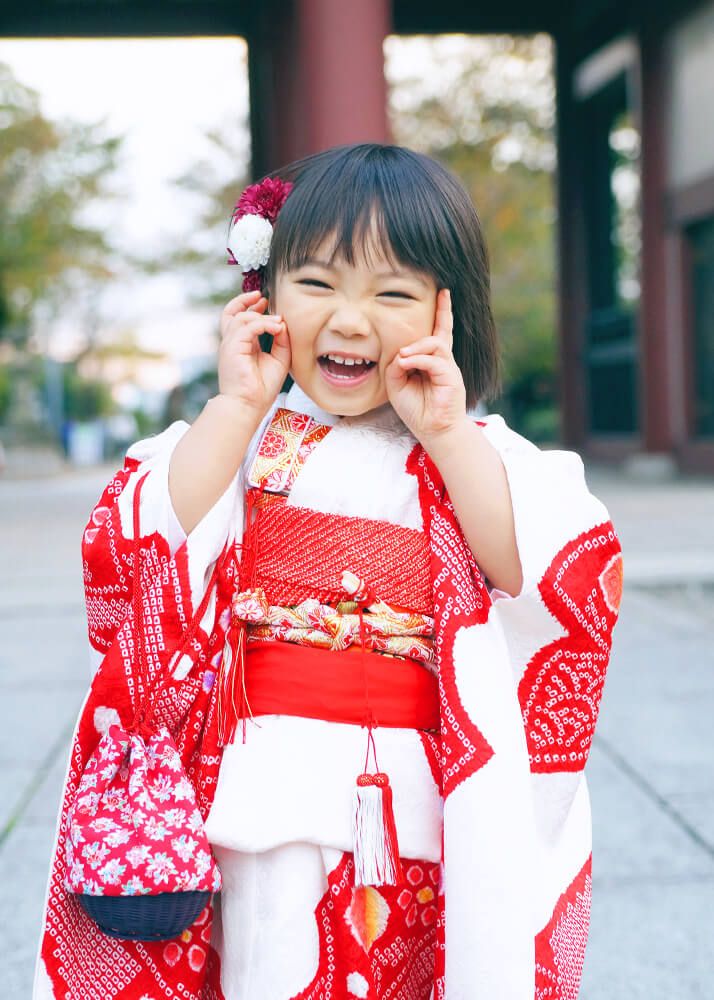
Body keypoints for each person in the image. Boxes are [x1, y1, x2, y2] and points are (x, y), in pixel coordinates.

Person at [34, 143, 623, 1000]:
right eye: (317, 284)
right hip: (259, 784)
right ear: (264, 295)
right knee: (269, 967)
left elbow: (545, 572)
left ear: (445, 312)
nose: (350, 321)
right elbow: (132, 551)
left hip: (416, 797)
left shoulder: (475, 454)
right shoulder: (234, 442)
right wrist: (236, 408)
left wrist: (450, 435)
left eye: (391, 293)